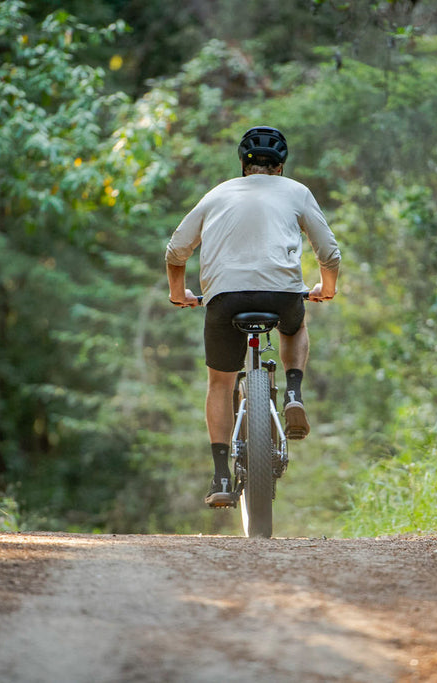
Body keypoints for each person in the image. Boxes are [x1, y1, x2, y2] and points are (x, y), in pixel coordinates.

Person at [165, 126, 342, 507]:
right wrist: (327, 288)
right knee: (294, 326)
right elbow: (329, 253)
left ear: (243, 165)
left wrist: (178, 293)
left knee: (219, 384)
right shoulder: (297, 191)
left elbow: (176, 250)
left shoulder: (217, 193)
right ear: (280, 166)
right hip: (282, 294)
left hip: (223, 299)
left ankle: (221, 478)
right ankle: (293, 392)